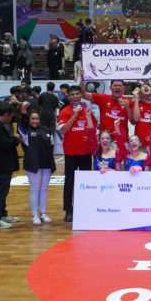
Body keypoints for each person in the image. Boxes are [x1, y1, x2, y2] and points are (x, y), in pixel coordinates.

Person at [58, 85, 96, 222]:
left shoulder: (87, 110)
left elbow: (93, 128)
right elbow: (63, 130)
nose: (75, 96)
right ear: (68, 97)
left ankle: (85, 208)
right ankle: (69, 210)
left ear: (81, 95)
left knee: (86, 183)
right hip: (71, 153)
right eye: (72, 94)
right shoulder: (64, 111)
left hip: (86, 152)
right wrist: (74, 116)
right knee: (69, 182)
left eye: (77, 94)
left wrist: (88, 116)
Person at [18, 101, 55, 225]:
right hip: (33, 165)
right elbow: (22, 122)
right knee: (35, 189)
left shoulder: (45, 129)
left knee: (44, 189)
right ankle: (34, 215)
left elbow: (51, 145)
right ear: (28, 120)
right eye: (32, 119)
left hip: (46, 165)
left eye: (37, 118)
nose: (35, 121)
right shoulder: (25, 132)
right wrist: (23, 109)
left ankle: (43, 213)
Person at [0, 103, 21, 229]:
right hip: (1, 164)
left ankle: (2, 213)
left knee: (3, 190)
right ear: (6, 114)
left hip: (3, 163)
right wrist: (15, 138)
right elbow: (5, 144)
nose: (11, 119)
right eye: (10, 116)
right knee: (1, 191)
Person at [80, 69, 130, 135]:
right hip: (105, 138)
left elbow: (134, 121)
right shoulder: (103, 98)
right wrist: (82, 78)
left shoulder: (128, 102)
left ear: (123, 89)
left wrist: (128, 107)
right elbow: (83, 95)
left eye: (120, 86)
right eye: (115, 85)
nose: (117, 87)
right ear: (110, 88)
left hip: (122, 138)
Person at [130, 81, 151, 149]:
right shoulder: (136, 104)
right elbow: (136, 119)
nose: (145, 86)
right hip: (139, 143)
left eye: (148, 86)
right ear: (140, 93)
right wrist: (136, 99)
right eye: (143, 87)